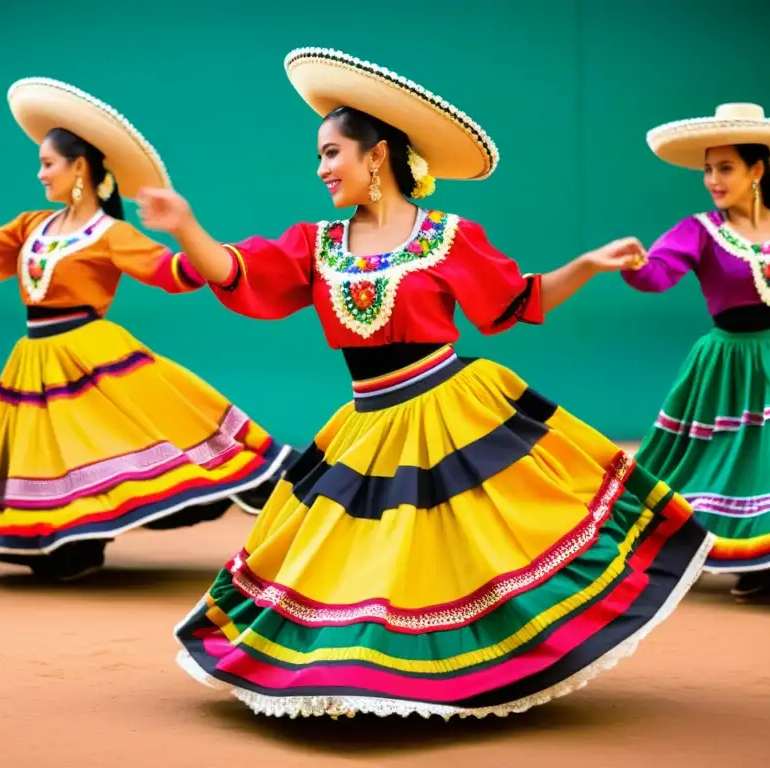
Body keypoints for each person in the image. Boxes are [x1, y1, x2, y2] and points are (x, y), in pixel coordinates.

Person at [136, 48, 715, 720]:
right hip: (368, 423)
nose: (322, 169)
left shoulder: (449, 236)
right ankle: (362, 676)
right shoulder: (315, 244)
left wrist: (585, 264)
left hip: (451, 411)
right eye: (319, 156)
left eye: (332, 153)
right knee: (358, 559)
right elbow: (238, 272)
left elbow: (516, 301)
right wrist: (185, 227)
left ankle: (473, 670)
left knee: (467, 552)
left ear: (377, 155)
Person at [0, 78, 296, 582]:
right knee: (52, 455)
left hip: (89, 354)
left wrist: (188, 233)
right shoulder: (34, 226)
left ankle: (255, 501)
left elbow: (171, 272)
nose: (41, 173)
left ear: (80, 169)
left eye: (49, 163)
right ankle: (69, 545)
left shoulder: (111, 234)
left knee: (106, 443)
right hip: (36, 358)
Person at [622, 102, 770, 599]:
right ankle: (754, 558)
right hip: (731, 363)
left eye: (726, 168)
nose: (713, 180)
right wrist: (634, 263)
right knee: (734, 463)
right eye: (708, 169)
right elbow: (657, 276)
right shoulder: (699, 230)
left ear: (757, 170)